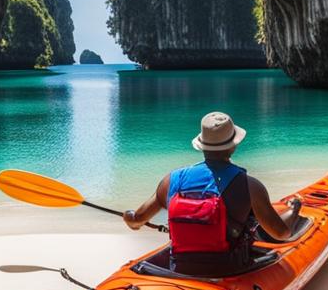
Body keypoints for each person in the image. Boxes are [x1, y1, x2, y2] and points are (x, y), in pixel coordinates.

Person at [123, 111, 303, 276]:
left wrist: (128, 216)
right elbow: (281, 233)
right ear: (233, 146)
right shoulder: (250, 186)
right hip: (228, 271)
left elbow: (137, 219)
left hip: (179, 269)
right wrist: (295, 211)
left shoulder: (171, 181)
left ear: (201, 146)